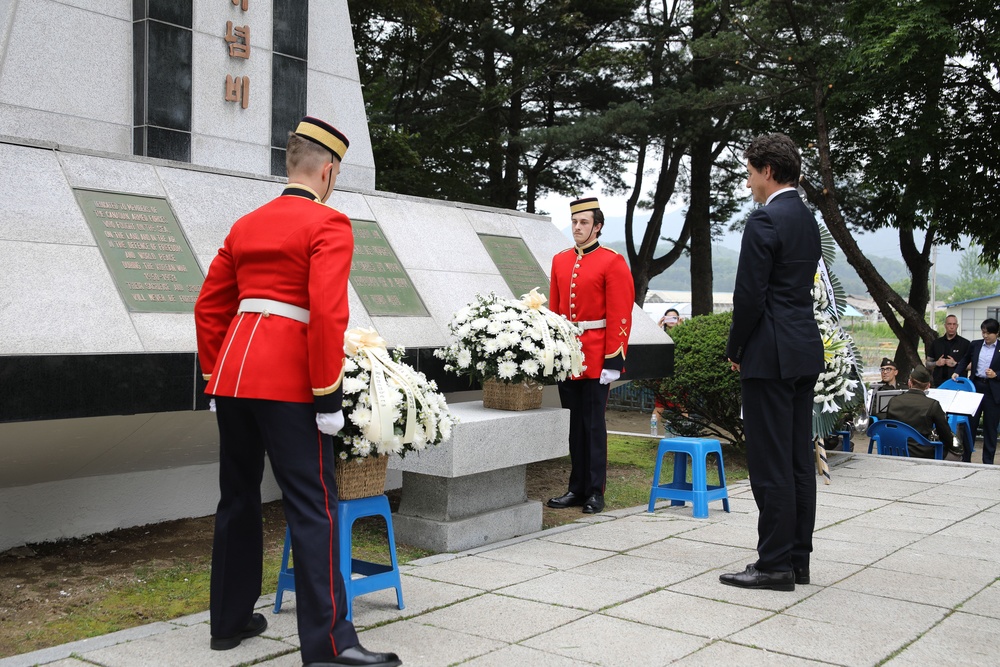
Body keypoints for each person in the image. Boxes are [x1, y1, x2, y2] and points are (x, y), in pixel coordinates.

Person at [195, 116, 401, 667]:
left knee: (236, 497)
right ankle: (332, 645)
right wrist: (328, 395)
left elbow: (210, 306)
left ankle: (230, 622)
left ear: (290, 163)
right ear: (329, 172)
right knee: (314, 508)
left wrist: (216, 374)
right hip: (289, 383)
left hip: (235, 377)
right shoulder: (328, 224)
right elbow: (327, 314)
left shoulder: (245, 224)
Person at [720, 133, 824, 592]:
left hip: (769, 353)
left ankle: (774, 564)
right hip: (804, 349)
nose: (748, 181)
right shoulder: (806, 219)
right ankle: (798, 559)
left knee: (770, 463)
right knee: (800, 458)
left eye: (749, 171)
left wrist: (735, 348)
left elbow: (749, 297)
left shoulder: (764, 221)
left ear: (767, 171)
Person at [546, 196, 634, 514]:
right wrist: (556, 352)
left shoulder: (612, 261)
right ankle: (576, 488)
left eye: (584, 222)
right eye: (574, 222)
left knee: (593, 424)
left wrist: (614, 358)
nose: (577, 228)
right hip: (570, 355)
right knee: (574, 425)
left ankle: (595, 491)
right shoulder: (559, 260)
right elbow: (555, 312)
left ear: (597, 226)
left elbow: (621, 313)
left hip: (598, 354)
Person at [953, 318, 1000, 465]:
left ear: (997, 333)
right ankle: (966, 458)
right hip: (975, 387)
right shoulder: (976, 345)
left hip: (993, 390)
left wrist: (996, 374)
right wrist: (957, 372)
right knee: (970, 425)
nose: (985, 336)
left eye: (988, 333)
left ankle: (988, 462)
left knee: (990, 427)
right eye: (983, 332)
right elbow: (965, 360)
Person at [884, 365, 956, 459]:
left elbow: (888, 427)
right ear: (928, 386)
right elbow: (945, 434)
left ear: (910, 382)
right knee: (955, 456)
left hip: (895, 450)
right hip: (922, 453)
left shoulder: (893, 401)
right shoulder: (933, 404)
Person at [926, 314, 970, 387]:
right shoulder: (936, 343)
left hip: (958, 383)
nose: (951, 327)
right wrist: (936, 363)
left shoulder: (965, 343)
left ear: (957, 326)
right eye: (949, 324)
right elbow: (927, 364)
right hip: (939, 384)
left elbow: (972, 365)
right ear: (945, 325)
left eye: (954, 324)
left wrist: (956, 364)